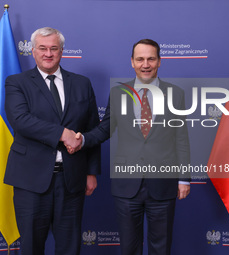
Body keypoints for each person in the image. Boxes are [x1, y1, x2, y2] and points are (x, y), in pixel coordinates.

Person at [69, 39, 190, 255]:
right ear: (132, 62)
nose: (146, 64)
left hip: (163, 184)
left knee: (161, 247)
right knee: (128, 247)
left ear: (159, 61)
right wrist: (83, 140)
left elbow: (181, 138)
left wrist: (183, 178)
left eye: (151, 59)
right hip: (127, 185)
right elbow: (105, 129)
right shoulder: (118, 93)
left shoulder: (176, 94)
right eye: (140, 59)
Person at [3, 27, 101, 255]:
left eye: (53, 48)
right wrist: (62, 133)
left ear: (62, 51)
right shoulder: (16, 82)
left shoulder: (81, 83)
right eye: (42, 48)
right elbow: (20, 120)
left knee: (70, 246)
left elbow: (92, 128)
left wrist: (91, 171)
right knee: (31, 247)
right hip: (31, 180)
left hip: (72, 180)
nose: (48, 53)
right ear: (33, 51)